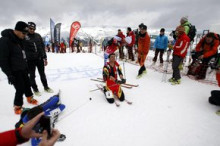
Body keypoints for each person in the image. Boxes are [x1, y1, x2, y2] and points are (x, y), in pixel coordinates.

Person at [0, 21, 38, 114]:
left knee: (27, 84)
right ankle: (17, 107)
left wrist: (26, 66)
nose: (25, 35)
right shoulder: (5, 40)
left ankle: (29, 98)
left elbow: (22, 54)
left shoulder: (20, 39)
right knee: (20, 88)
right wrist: (9, 74)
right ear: (16, 30)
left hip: (22, 67)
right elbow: (2, 60)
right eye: (23, 33)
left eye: (26, 33)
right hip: (14, 70)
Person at [24, 22, 53, 96]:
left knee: (42, 74)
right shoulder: (24, 36)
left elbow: (42, 47)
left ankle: (46, 87)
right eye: (30, 28)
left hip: (39, 59)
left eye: (34, 29)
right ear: (27, 28)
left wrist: (45, 58)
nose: (32, 30)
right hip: (30, 60)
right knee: (32, 76)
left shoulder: (38, 36)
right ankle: (35, 89)